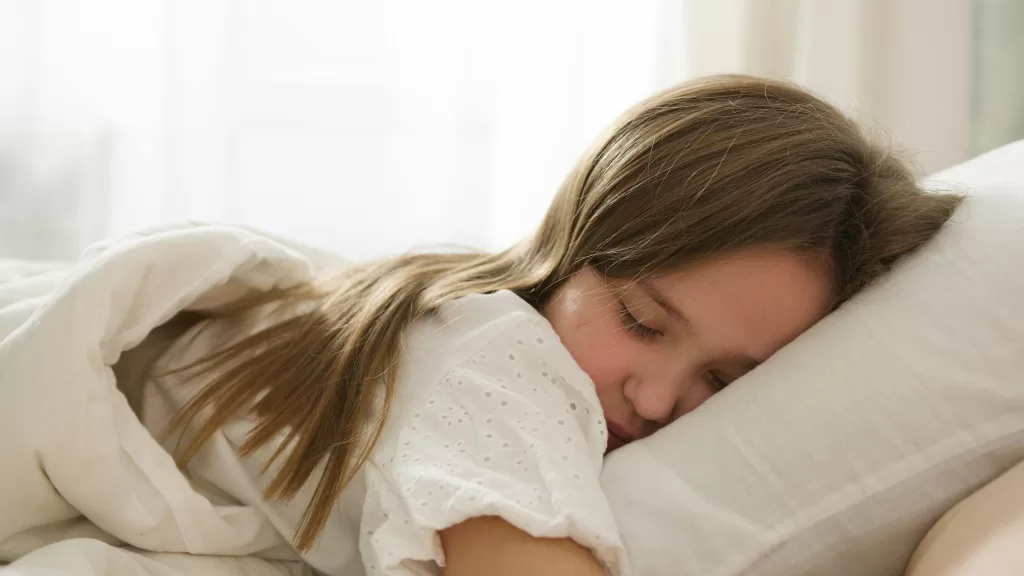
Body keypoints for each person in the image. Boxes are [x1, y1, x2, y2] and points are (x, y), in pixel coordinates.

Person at [143, 75, 961, 575]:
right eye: (642, 321)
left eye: (724, 379)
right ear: (572, 246)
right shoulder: (494, 357)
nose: (655, 396)